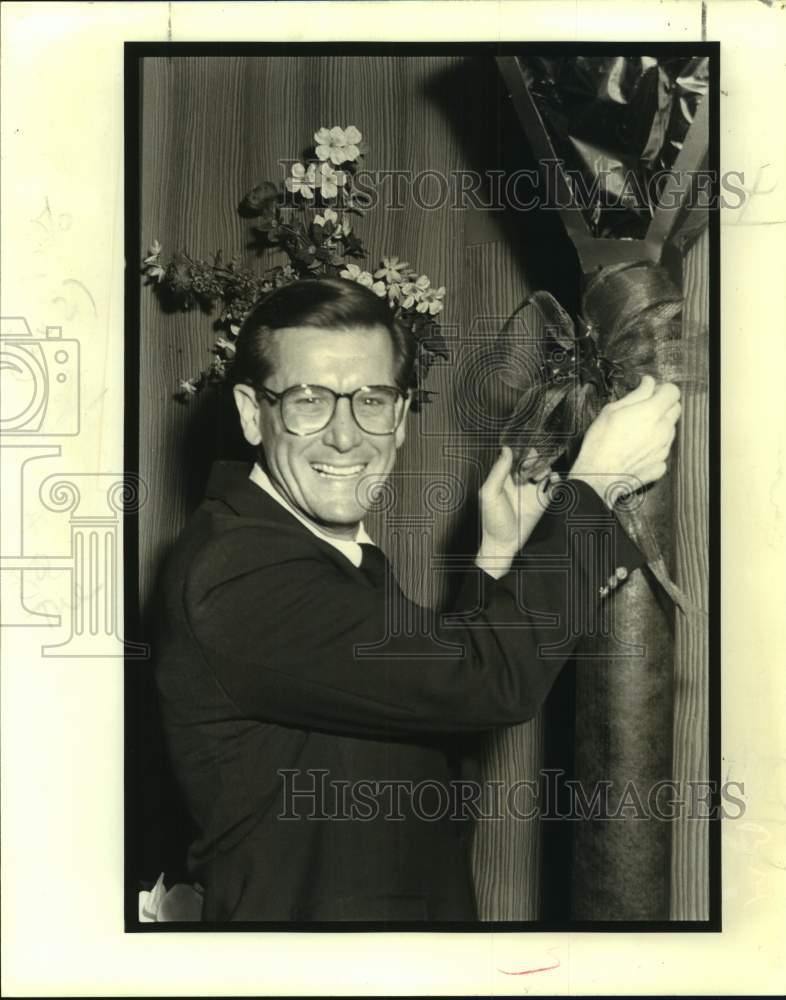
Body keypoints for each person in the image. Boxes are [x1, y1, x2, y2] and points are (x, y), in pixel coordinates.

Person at [154, 277, 681, 923]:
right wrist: (595, 485)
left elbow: (430, 717)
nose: (345, 437)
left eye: (371, 400)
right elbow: (486, 685)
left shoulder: (319, 552)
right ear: (249, 412)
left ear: (400, 418)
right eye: (309, 400)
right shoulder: (238, 574)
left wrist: (496, 551)